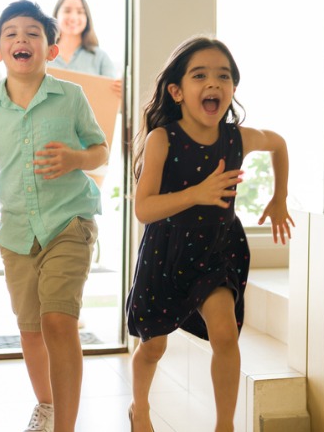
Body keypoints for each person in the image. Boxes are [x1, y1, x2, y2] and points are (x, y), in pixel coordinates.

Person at [125, 36, 293, 432]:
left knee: (225, 334)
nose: (213, 83)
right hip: (165, 255)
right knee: (153, 347)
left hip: (215, 253)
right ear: (177, 91)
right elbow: (143, 208)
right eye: (200, 75)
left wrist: (280, 197)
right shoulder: (162, 139)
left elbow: (280, 144)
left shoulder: (239, 138)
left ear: (233, 88)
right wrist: (196, 194)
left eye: (223, 76)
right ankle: (140, 408)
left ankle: (225, 426)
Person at [0, 0, 108, 432]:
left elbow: (99, 150)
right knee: (29, 330)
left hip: (69, 223)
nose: (21, 39)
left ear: (51, 50)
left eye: (32, 34)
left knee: (57, 320)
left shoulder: (71, 97)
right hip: (17, 231)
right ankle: (46, 405)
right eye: (11, 34)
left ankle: (65, 425)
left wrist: (76, 158)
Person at [50, 0, 123, 189]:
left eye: (80, 12)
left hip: (91, 149)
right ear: (56, 15)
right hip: (49, 146)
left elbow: (113, 109)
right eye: (67, 10)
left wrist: (120, 94)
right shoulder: (44, 54)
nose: (73, 17)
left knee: (84, 215)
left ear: (87, 19)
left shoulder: (99, 57)